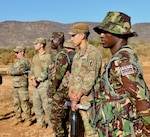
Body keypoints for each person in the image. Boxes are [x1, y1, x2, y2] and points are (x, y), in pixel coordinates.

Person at [92, 11, 150, 137]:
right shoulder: (119, 58)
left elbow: (140, 99)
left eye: (106, 31)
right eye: (100, 32)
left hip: (124, 131)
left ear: (119, 33)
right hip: (116, 128)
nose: (101, 35)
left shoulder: (122, 61)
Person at [68, 23, 102, 137]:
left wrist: (77, 96)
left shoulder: (93, 53)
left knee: (91, 132)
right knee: (77, 132)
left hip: (88, 101)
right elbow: (72, 76)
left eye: (73, 35)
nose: (71, 38)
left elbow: (90, 78)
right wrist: (71, 92)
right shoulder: (77, 56)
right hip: (76, 101)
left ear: (82, 36)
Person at [47, 32, 76, 137]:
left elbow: (58, 76)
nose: (51, 43)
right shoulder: (60, 55)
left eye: (52, 40)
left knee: (56, 119)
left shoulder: (62, 55)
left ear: (59, 41)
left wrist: (51, 90)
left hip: (60, 93)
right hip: (61, 92)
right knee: (62, 120)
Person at [30, 38, 52, 129]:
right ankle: (41, 124)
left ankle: (51, 125)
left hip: (44, 84)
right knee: (36, 105)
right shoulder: (35, 57)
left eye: (36, 43)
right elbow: (32, 70)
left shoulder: (47, 57)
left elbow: (46, 71)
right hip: (35, 85)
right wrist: (32, 79)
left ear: (42, 45)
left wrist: (38, 80)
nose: (34, 45)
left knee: (47, 105)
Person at [7, 46, 32, 126]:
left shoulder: (25, 62)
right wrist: (13, 71)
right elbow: (9, 71)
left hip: (22, 85)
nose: (15, 54)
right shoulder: (16, 62)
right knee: (16, 102)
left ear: (22, 52)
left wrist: (13, 71)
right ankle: (18, 118)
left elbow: (18, 71)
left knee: (24, 102)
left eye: (17, 52)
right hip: (15, 85)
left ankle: (28, 119)